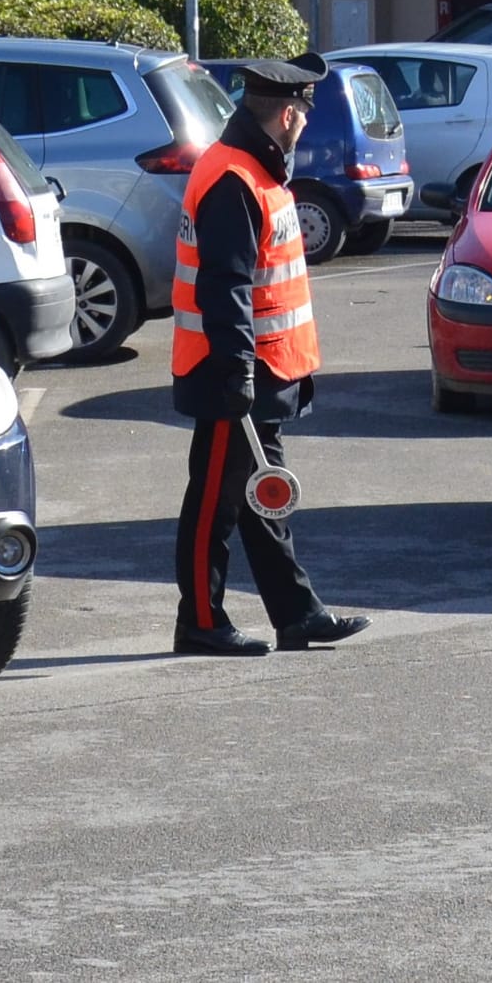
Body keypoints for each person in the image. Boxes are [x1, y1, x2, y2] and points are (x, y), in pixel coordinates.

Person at [171, 53, 371, 657]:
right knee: (215, 500)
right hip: (235, 370)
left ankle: (296, 614)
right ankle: (201, 622)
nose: (305, 124)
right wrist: (236, 372)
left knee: (261, 493)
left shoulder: (255, 170)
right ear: (289, 115)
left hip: (258, 369)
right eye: (305, 115)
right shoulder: (234, 178)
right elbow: (224, 284)